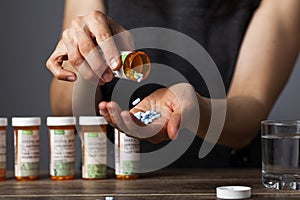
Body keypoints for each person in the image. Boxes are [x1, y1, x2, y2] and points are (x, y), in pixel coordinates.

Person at [46, 0, 300, 167]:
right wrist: (82, 61)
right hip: (116, 180)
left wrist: (194, 108)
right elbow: (64, 109)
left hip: (222, 179)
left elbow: (248, 113)